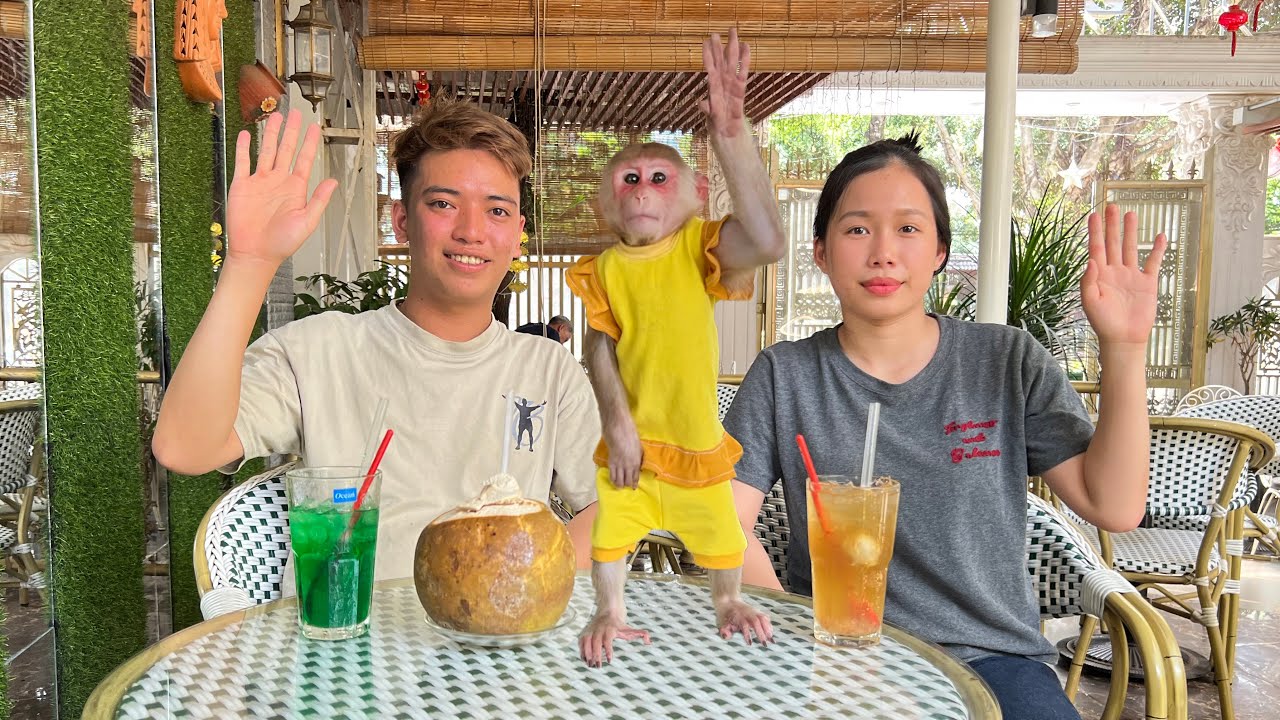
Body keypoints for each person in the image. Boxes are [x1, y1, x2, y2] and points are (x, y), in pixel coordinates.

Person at [724, 135, 1166, 720]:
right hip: (837, 659)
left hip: (994, 661)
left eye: (908, 229)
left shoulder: (1006, 361)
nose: (883, 253)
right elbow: (724, 523)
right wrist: (797, 638)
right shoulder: (785, 375)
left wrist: (1125, 347)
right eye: (857, 229)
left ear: (939, 251)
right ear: (822, 252)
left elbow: (1115, 506)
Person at [152, 104, 601, 587]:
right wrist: (249, 263)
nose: (472, 231)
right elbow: (184, 448)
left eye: (497, 210)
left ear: (517, 235)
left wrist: (526, 579)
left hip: (499, 646)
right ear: (402, 221)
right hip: (346, 641)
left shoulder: (549, 369)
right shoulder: (321, 350)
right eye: (444, 203)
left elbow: (610, 505)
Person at [568, 30, 784, 667]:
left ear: (694, 197)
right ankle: (611, 609)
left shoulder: (699, 249)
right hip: (632, 450)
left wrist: (732, 135)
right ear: (606, 201)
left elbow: (768, 239)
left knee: (721, 539)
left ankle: (725, 602)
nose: (642, 189)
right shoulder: (603, 268)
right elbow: (599, 348)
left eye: (661, 178)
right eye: (629, 179)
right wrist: (617, 422)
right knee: (610, 540)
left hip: (692, 445)